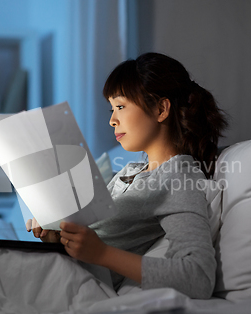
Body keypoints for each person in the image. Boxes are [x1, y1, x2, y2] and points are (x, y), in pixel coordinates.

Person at [27, 52, 228, 299]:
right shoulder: (129, 171)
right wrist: (55, 235)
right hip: (60, 275)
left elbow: (198, 277)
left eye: (120, 107)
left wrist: (102, 254)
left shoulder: (178, 180)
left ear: (161, 109)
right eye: (111, 109)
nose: (112, 120)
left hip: (81, 289)